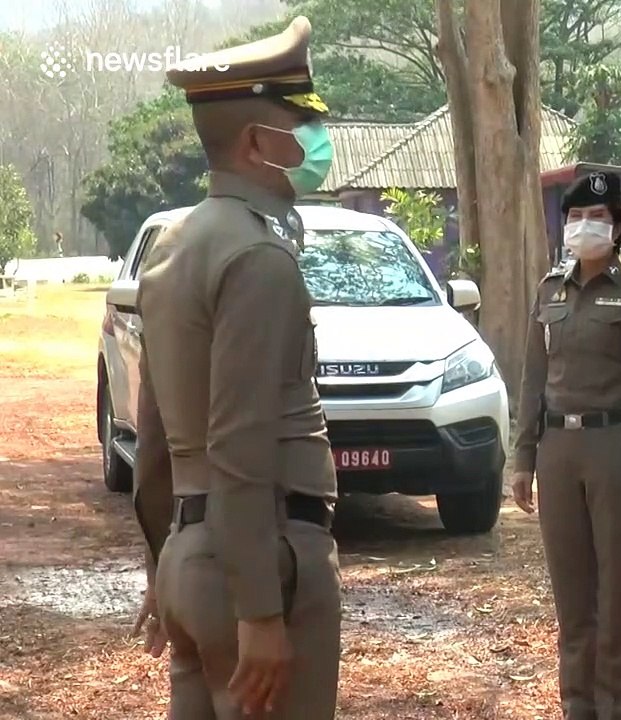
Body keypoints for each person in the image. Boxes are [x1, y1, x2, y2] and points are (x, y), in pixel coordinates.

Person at [130, 17, 341, 718]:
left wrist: (166, 567)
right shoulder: (258, 258)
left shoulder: (173, 250)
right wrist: (259, 610)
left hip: (193, 557)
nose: (315, 142)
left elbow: (154, 439)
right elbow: (241, 441)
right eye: (299, 124)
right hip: (262, 562)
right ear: (258, 143)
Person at [511, 170, 621, 720]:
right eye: (576, 217)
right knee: (572, 594)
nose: (585, 226)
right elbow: (533, 377)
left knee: (617, 591)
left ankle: (619, 706)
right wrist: (522, 456)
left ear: (619, 226)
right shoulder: (549, 289)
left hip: (616, 445)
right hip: (558, 449)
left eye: (597, 218)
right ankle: (578, 705)